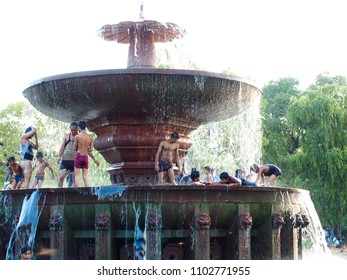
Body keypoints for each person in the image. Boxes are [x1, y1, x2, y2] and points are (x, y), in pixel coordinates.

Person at [57, 122, 100, 188]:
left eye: (75, 130)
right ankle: (59, 191)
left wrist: (94, 158)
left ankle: (74, 194)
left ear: (78, 129)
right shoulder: (66, 136)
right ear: (70, 129)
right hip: (65, 160)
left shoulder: (79, 137)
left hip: (74, 161)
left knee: (75, 178)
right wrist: (59, 156)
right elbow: (62, 146)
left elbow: (86, 150)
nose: (73, 132)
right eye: (72, 130)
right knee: (61, 176)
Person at [73, 121, 95, 187]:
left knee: (77, 176)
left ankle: (77, 193)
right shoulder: (90, 137)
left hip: (79, 156)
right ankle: (88, 193)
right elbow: (91, 149)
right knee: (85, 176)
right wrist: (85, 148)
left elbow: (74, 148)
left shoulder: (77, 137)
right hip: (85, 157)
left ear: (79, 127)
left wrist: (79, 148)